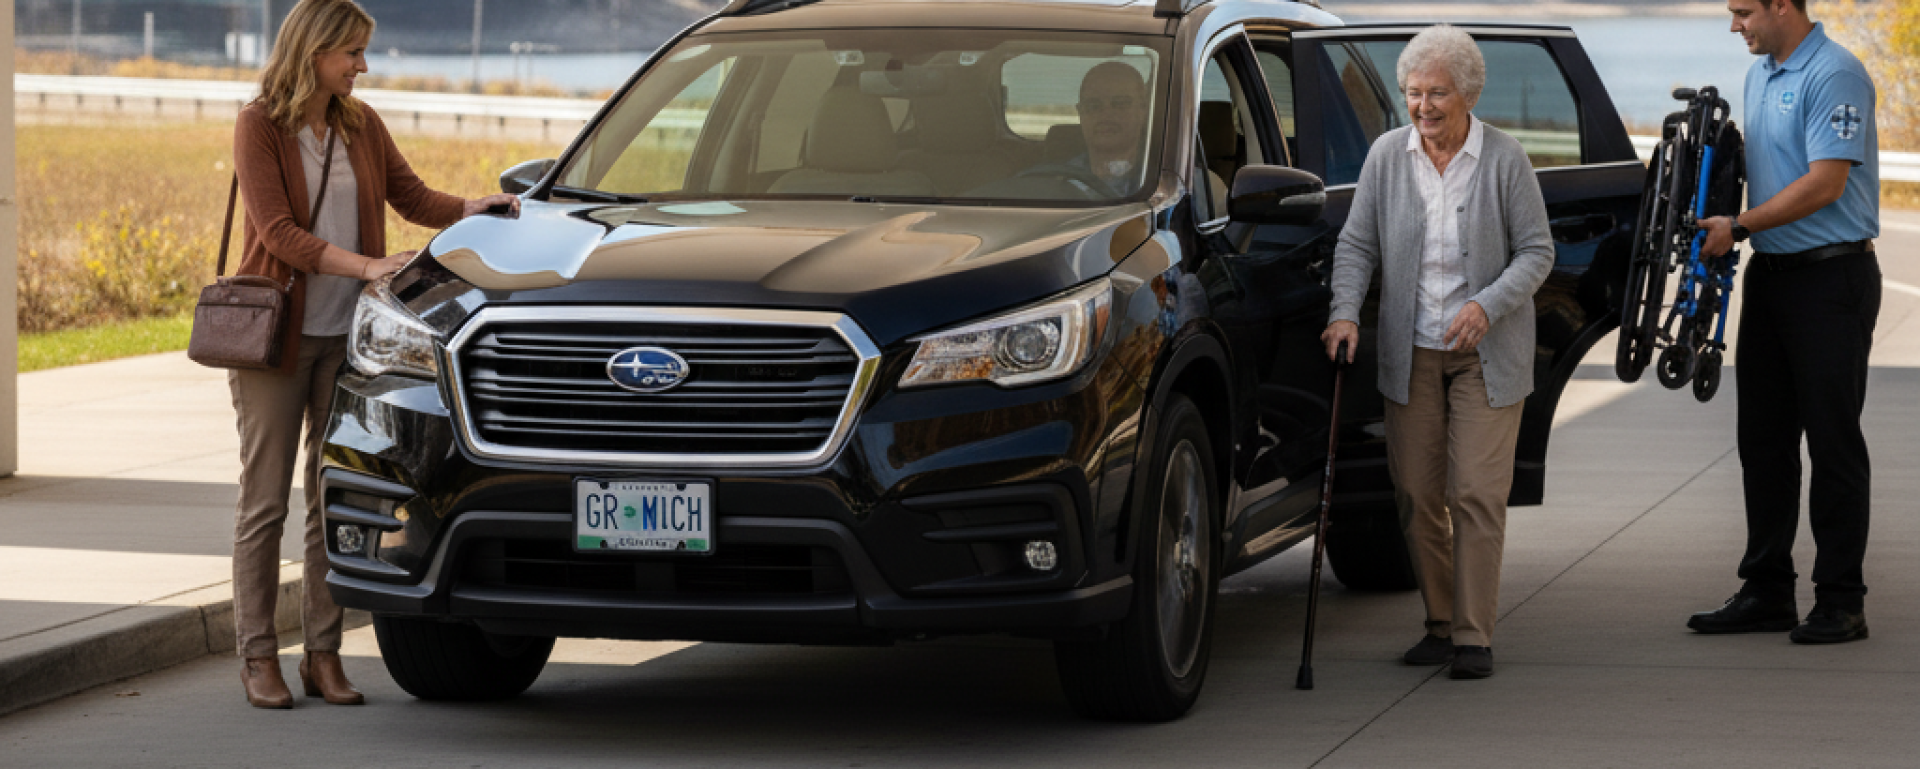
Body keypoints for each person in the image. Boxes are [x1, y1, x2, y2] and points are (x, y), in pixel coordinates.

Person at [229, 0, 518, 709]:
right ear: (316, 49)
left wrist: (469, 208)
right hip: (278, 340)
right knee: (264, 501)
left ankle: (322, 655)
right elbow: (278, 231)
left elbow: (410, 194)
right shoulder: (260, 124)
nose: (362, 65)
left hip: (345, 340)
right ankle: (258, 654)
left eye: (363, 53)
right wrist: (367, 266)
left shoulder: (361, 123)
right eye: (352, 52)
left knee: (333, 499)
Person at [1320, 24, 1554, 680]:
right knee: (1417, 494)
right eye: (1413, 93)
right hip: (1412, 348)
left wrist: (1488, 304)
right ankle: (1440, 620)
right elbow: (1357, 244)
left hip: (1487, 351)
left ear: (1469, 94)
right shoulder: (1387, 157)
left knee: (1476, 491)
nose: (1423, 107)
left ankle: (1473, 635)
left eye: (1437, 94)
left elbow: (1538, 251)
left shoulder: (1505, 159)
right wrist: (1344, 313)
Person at [1687, 0, 1879, 644]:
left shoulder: (1835, 73)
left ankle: (1842, 601)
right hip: (1771, 276)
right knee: (1763, 442)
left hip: (1832, 279)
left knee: (1832, 442)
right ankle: (1768, 590)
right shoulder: (1760, 73)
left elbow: (1825, 183)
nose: (1734, 24)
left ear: (1782, 5)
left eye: (1743, 10)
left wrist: (1738, 225)